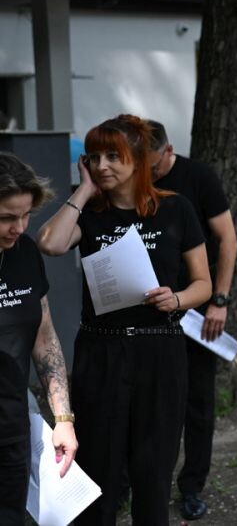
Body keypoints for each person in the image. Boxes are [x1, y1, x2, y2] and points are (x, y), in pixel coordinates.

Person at [37, 115, 211, 526]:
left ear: (138, 159)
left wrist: (178, 298)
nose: (102, 165)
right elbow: (50, 244)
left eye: (114, 156)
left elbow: (202, 282)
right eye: (94, 157)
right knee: (99, 467)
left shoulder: (175, 208)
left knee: (154, 470)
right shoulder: (90, 213)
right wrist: (82, 191)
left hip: (159, 350)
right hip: (102, 351)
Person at [147, 120, 237, 521]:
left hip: (198, 309)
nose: (144, 175)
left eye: (150, 166)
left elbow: (227, 239)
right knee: (148, 401)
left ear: (167, 152)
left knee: (198, 402)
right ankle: (139, 483)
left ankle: (191, 487)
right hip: (149, 310)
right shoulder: (132, 180)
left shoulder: (198, 177)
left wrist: (219, 300)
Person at [0, 153, 78, 523]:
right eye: (6, 218)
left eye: (25, 215)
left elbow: (44, 339)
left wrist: (62, 418)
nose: (19, 227)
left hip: (12, 426)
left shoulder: (25, 253)